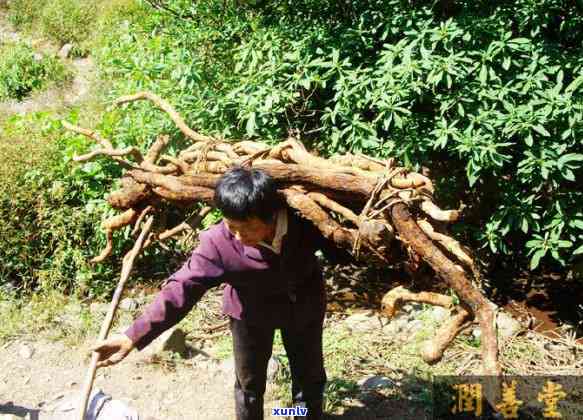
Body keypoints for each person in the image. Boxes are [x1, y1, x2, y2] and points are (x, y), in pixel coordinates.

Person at [92, 167, 347, 420]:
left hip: (303, 307)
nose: (236, 236)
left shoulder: (305, 221)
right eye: (230, 226)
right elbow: (181, 288)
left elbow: (344, 246)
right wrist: (132, 336)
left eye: (245, 228)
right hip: (250, 315)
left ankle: (294, 415)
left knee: (308, 383)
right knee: (250, 388)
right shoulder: (218, 243)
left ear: (270, 216)